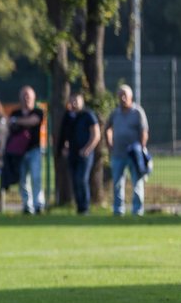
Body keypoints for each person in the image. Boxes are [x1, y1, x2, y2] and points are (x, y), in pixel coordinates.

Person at [104, 84, 149, 216]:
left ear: (131, 97)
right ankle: (118, 210)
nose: (122, 98)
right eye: (120, 95)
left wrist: (141, 147)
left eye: (125, 95)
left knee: (137, 183)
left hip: (134, 154)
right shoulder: (115, 113)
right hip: (118, 153)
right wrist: (109, 144)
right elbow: (107, 128)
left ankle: (137, 210)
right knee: (117, 184)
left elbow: (144, 131)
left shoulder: (137, 112)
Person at [58, 91, 101, 215]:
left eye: (76, 100)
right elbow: (65, 134)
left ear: (82, 101)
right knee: (74, 180)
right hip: (73, 153)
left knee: (81, 179)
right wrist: (65, 147)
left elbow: (96, 135)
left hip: (85, 154)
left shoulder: (88, 115)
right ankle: (79, 207)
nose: (74, 103)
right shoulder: (69, 116)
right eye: (72, 100)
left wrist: (87, 149)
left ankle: (85, 207)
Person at [5, 86, 45, 215]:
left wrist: (17, 121)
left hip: (34, 150)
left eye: (28, 95)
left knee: (36, 177)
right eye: (24, 95)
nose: (26, 98)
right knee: (22, 179)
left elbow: (33, 121)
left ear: (34, 97)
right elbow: (8, 125)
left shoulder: (38, 111)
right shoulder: (15, 113)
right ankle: (27, 205)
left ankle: (38, 204)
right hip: (19, 153)